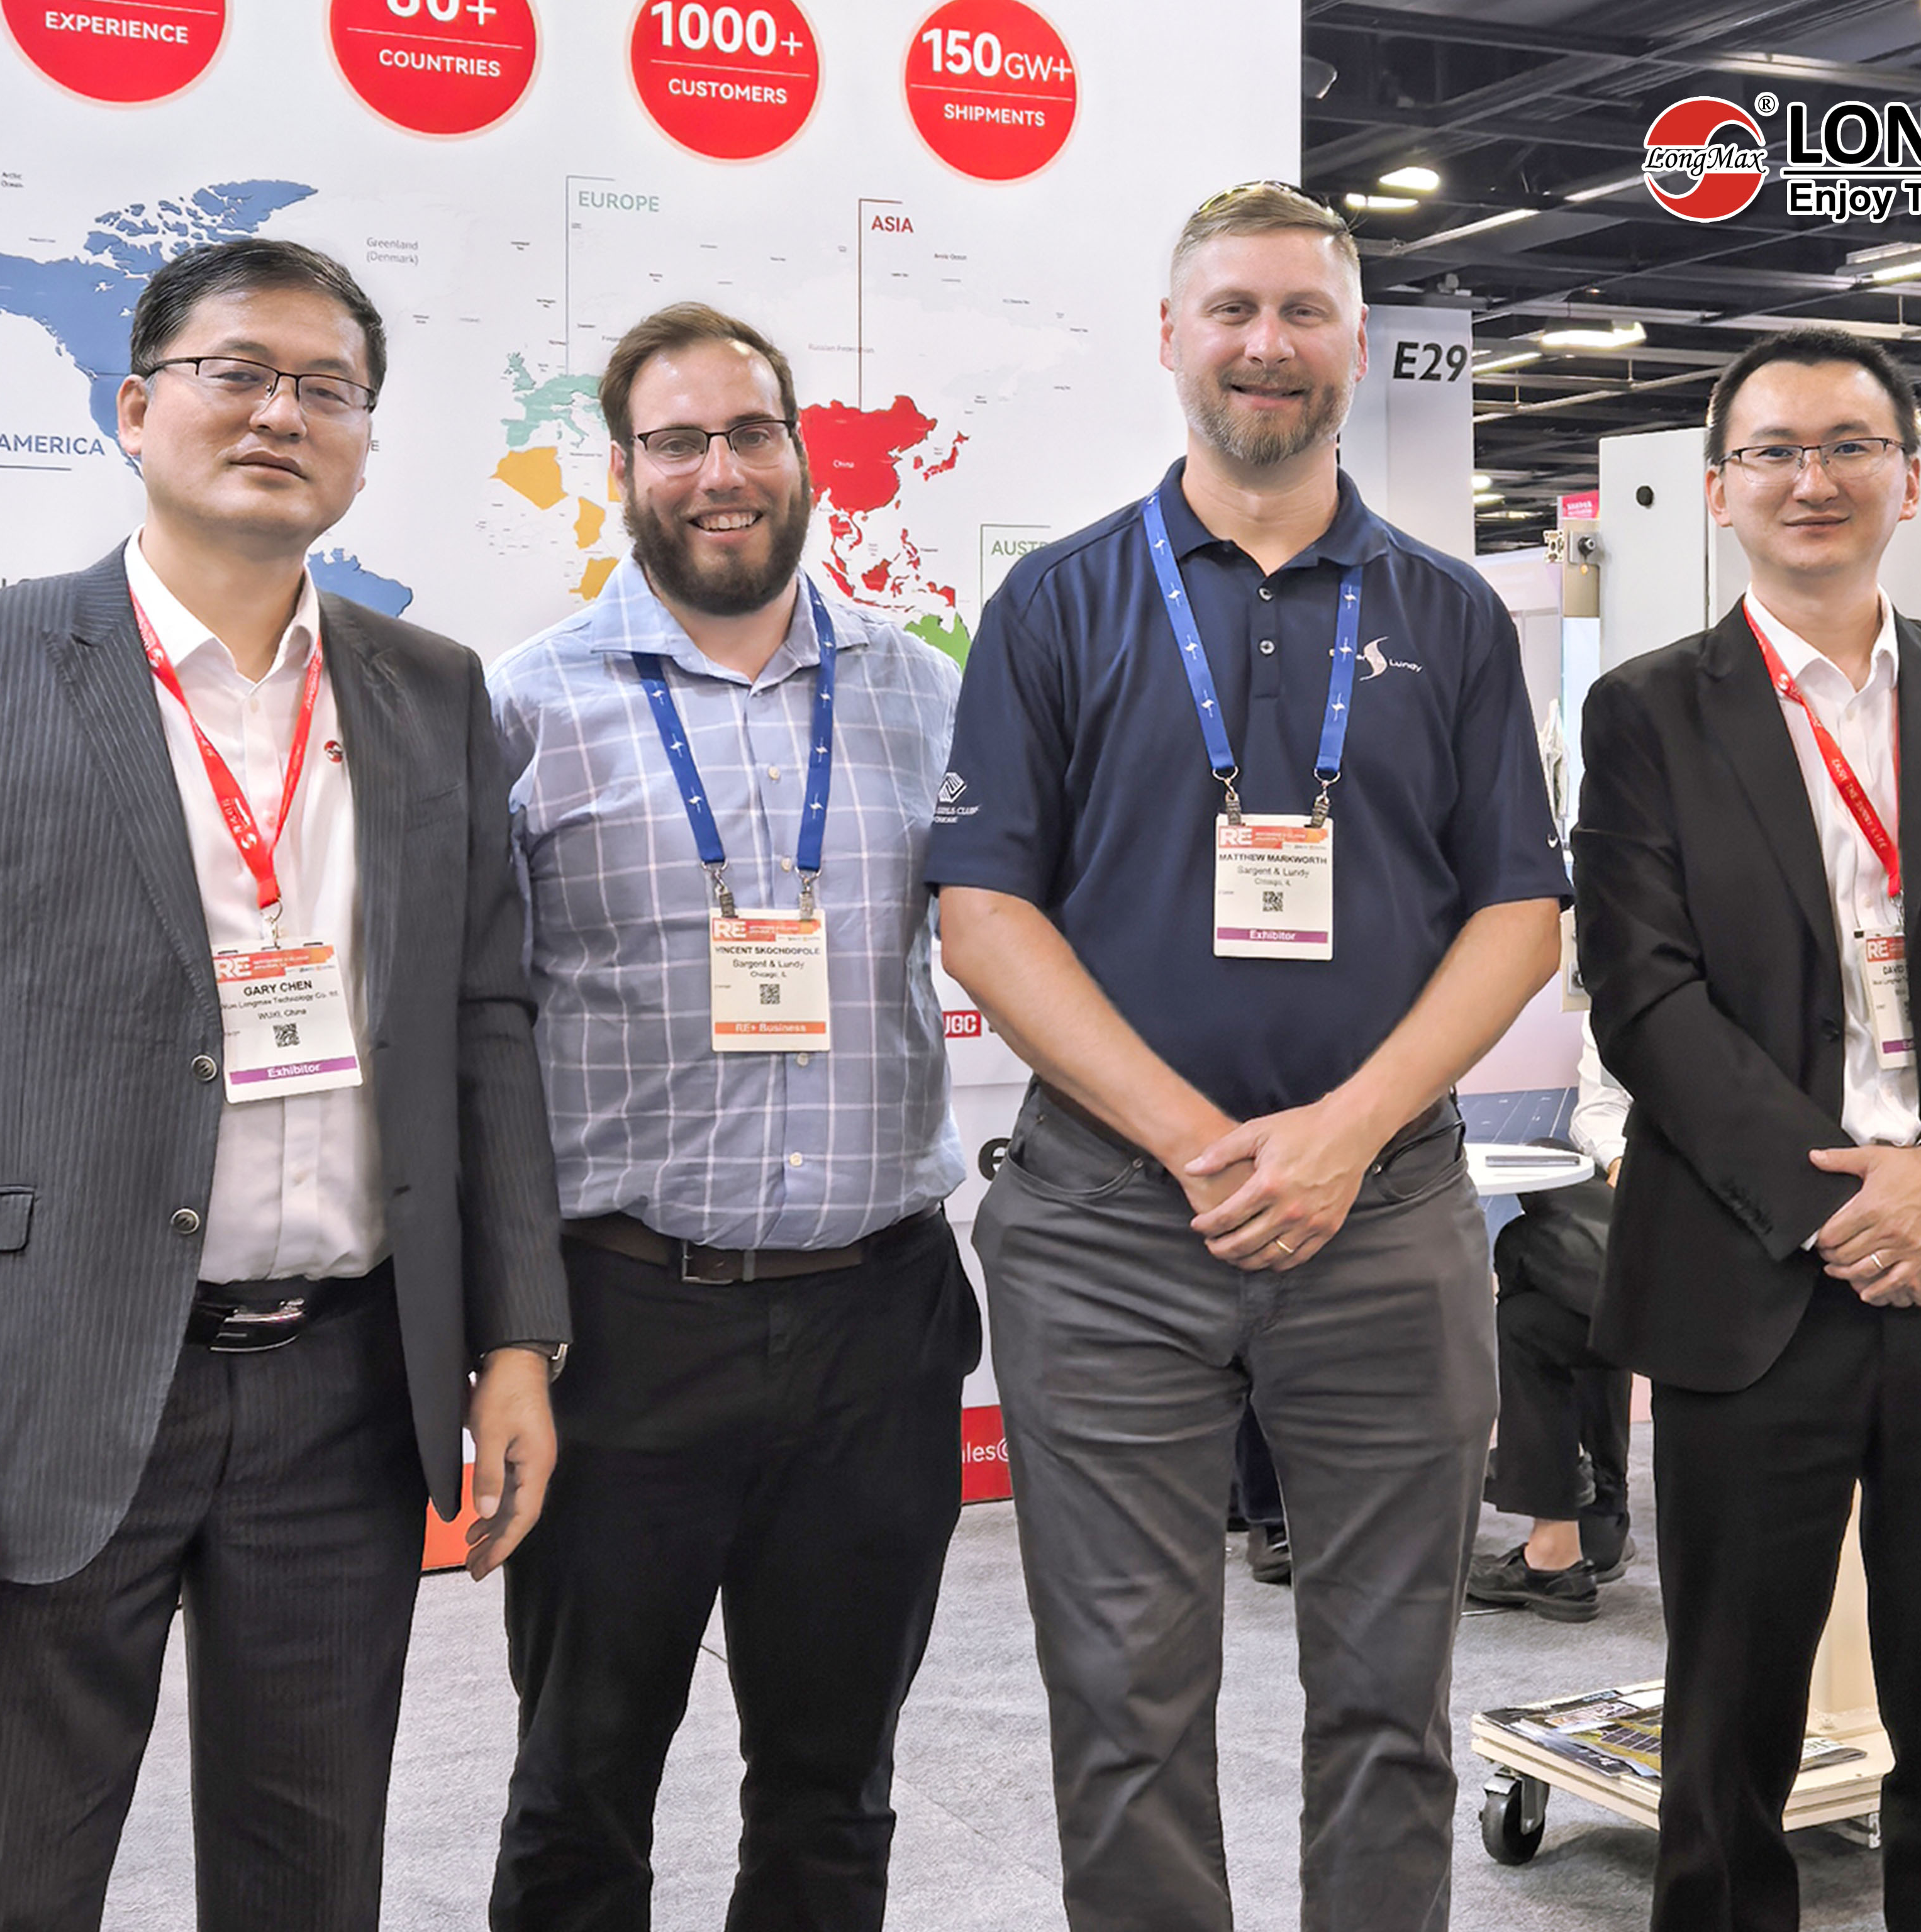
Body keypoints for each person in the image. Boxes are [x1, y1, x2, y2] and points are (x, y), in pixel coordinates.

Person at [0, 236, 571, 1929]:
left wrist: (517, 1337)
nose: (282, 413)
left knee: (310, 1877)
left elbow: (484, 1024)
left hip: (347, 1384)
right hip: (47, 1384)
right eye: (239, 373)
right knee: (9, 1883)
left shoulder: (429, 689)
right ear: (137, 407)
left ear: (364, 440)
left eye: (327, 388)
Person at [928, 182, 1568, 1932]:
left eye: (1302, 312)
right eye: (1232, 310)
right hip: (1110, 1227)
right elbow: (983, 913)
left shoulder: (1449, 615)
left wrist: (1342, 1135)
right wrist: (1203, 1142)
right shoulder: (1060, 602)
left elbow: (1520, 914)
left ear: (1356, 342)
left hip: (1386, 1217)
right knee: (1124, 1701)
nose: (1266, 345)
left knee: (1390, 1697)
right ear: (1171, 337)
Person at [1574, 325, 1921, 1931]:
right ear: (1719, 490)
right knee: (1726, 1726)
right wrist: (1839, 1206)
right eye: (1773, 451)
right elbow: (1642, 993)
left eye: (1848, 446)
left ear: (1908, 481)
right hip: (1751, 1279)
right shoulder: (1645, 711)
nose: (1811, 479)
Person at [486, 301, 978, 1932]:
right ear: (622, 470)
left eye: (751, 433)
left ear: (801, 453)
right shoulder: (525, 707)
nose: (721, 473)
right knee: (579, 1791)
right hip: (625, 1327)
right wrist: (501, 1330)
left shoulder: (922, 695)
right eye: (679, 441)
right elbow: (470, 1038)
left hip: (876, 1326)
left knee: (834, 1793)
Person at [1466, 1018, 1636, 1622]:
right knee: (1531, 1320)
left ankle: (1584, 1526)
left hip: (1724, 1231)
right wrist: (1621, 1157)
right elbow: (1599, 1109)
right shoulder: (1619, 1001)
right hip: (1643, 1206)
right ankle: (1576, 1537)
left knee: (1526, 1256)